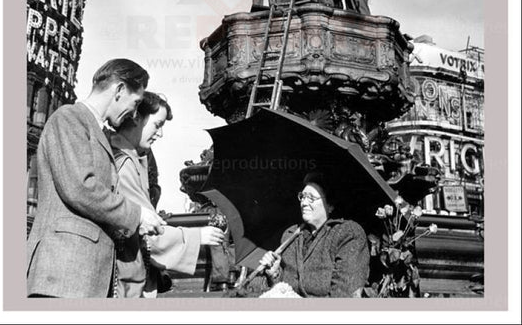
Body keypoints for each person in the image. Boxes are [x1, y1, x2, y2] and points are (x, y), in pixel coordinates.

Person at [27, 59, 166, 298]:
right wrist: (138, 214)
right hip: (64, 273)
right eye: (135, 103)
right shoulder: (69, 117)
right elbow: (81, 188)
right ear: (119, 90)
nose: (134, 113)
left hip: (80, 276)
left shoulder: (95, 129)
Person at [110, 91, 225, 297]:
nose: (160, 133)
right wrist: (196, 236)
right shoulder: (125, 164)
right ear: (136, 118)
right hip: (125, 284)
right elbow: (143, 232)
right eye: (157, 124)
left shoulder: (127, 157)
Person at [252, 172, 370, 298]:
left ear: (330, 206)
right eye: (302, 196)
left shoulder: (347, 234)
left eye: (311, 198)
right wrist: (274, 275)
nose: (303, 203)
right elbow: (283, 287)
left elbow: (345, 296)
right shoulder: (290, 235)